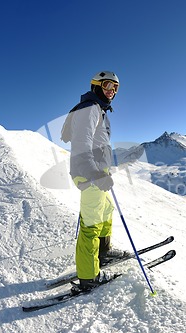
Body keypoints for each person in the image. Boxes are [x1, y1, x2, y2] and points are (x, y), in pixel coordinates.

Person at [64, 71, 124, 290]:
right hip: (90, 174)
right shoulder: (90, 109)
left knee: (106, 211)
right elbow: (81, 143)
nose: (112, 91)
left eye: (116, 88)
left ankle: (103, 252)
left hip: (97, 173)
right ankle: (89, 277)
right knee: (91, 224)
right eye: (108, 85)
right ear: (96, 85)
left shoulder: (98, 109)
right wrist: (96, 173)